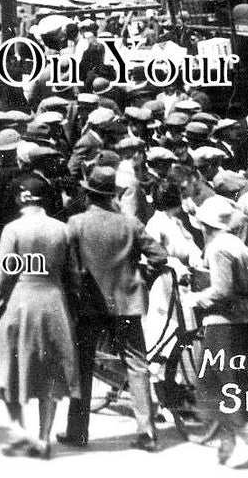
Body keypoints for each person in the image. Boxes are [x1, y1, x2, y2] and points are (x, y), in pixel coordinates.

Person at [60, 165, 168, 451]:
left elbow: (67, 265)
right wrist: (141, 279)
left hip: (90, 306)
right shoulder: (130, 223)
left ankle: (77, 432)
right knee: (137, 365)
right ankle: (147, 432)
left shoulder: (76, 224)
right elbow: (159, 256)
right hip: (127, 303)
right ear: (113, 195)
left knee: (82, 367)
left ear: (88, 194)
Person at [0, 176, 81, 459]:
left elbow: (2, 275)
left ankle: (20, 431)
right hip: (53, 302)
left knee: (8, 367)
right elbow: (73, 274)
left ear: (23, 198)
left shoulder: (13, 229)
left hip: (21, 301)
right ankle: (44, 438)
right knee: (50, 372)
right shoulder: (62, 229)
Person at [185, 195, 248, 467]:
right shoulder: (236, 244)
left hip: (222, 322)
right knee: (228, 380)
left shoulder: (218, 248)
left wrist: (196, 297)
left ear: (206, 225)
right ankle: (228, 440)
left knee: (212, 382)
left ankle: (244, 434)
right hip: (242, 319)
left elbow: (222, 289)